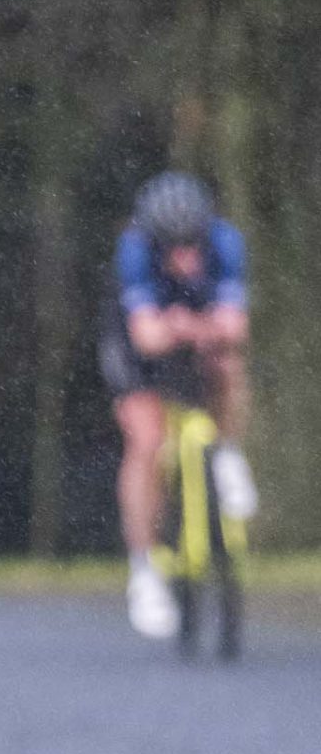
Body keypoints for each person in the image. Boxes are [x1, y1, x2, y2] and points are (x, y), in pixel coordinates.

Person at [99, 172, 255, 639]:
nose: (185, 256)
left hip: (191, 335)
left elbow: (235, 327)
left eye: (192, 245)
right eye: (174, 247)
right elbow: (146, 338)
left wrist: (190, 328)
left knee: (229, 365)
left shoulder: (226, 242)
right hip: (134, 354)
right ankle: (144, 567)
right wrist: (190, 326)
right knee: (147, 440)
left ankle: (227, 453)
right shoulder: (134, 251)